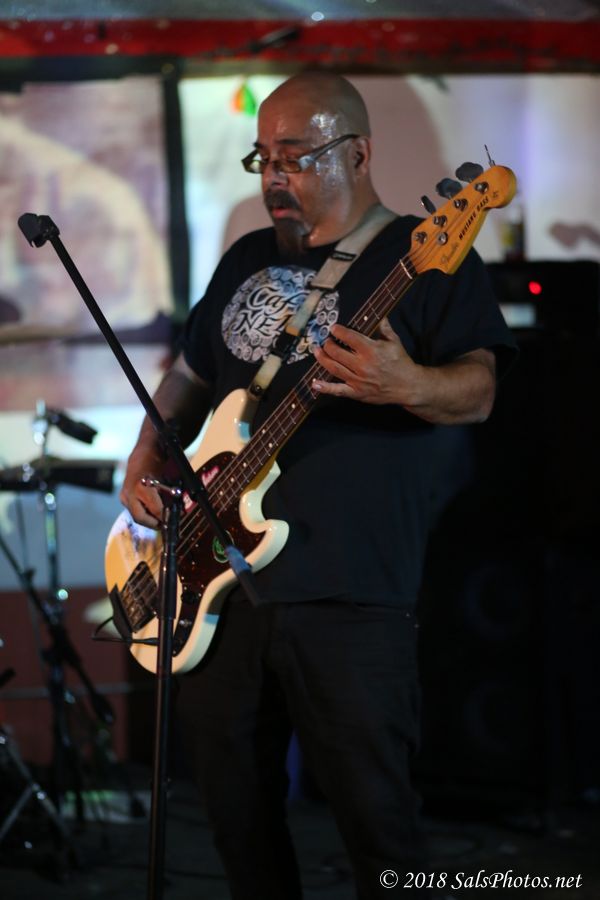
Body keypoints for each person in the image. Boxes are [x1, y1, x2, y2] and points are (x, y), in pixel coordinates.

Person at [120, 72, 516, 900]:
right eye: (263, 158)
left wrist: (408, 383)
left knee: (378, 824)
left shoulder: (425, 255)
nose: (274, 177)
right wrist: (145, 454)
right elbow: (191, 375)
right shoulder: (247, 257)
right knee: (234, 818)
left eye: (295, 157)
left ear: (358, 153)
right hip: (219, 589)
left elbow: (479, 391)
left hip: (349, 589)